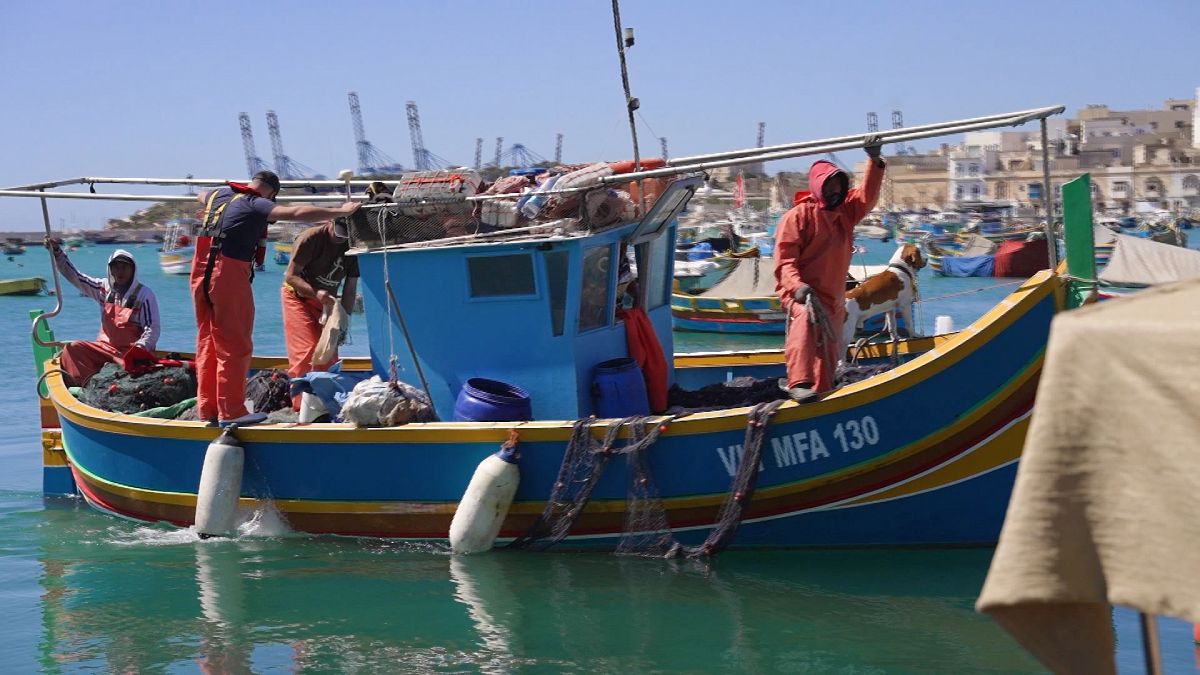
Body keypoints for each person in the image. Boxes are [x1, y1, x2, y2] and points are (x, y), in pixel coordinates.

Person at [192, 170, 360, 426]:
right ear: (270, 192)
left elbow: (200, 196)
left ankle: (208, 409)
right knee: (235, 344)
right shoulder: (254, 203)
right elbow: (295, 213)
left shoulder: (218, 194)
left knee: (208, 339)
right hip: (226, 273)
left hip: (200, 271)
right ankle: (232, 411)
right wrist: (340, 210)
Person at [773, 136, 885, 402]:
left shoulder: (846, 214)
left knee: (829, 347)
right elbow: (784, 261)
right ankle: (798, 382)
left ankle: (822, 393)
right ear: (818, 187)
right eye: (829, 186)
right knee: (805, 324)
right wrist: (797, 287)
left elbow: (867, 196)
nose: (835, 192)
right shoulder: (797, 217)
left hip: (832, 296)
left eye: (838, 186)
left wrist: (874, 160)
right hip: (802, 294)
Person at [44, 239, 160, 386]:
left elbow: (152, 328)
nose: (120, 271)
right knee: (73, 348)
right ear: (110, 270)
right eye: (116, 267)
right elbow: (76, 277)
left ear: (133, 270)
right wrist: (57, 253)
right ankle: (87, 386)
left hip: (131, 354)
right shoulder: (103, 288)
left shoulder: (144, 295)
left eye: (125, 267)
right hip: (104, 350)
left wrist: (140, 347)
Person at [281, 218, 359, 410]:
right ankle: (300, 408)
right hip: (298, 297)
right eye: (338, 233)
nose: (341, 239)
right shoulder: (311, 238)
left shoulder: (352, 246)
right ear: (330, 223)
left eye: (346, 236)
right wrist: (315, 292)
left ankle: (325, 404)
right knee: (306, 351)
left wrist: (344, 321)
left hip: (327, 303)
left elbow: (349, 288)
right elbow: (291, 276)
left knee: (329, 354)